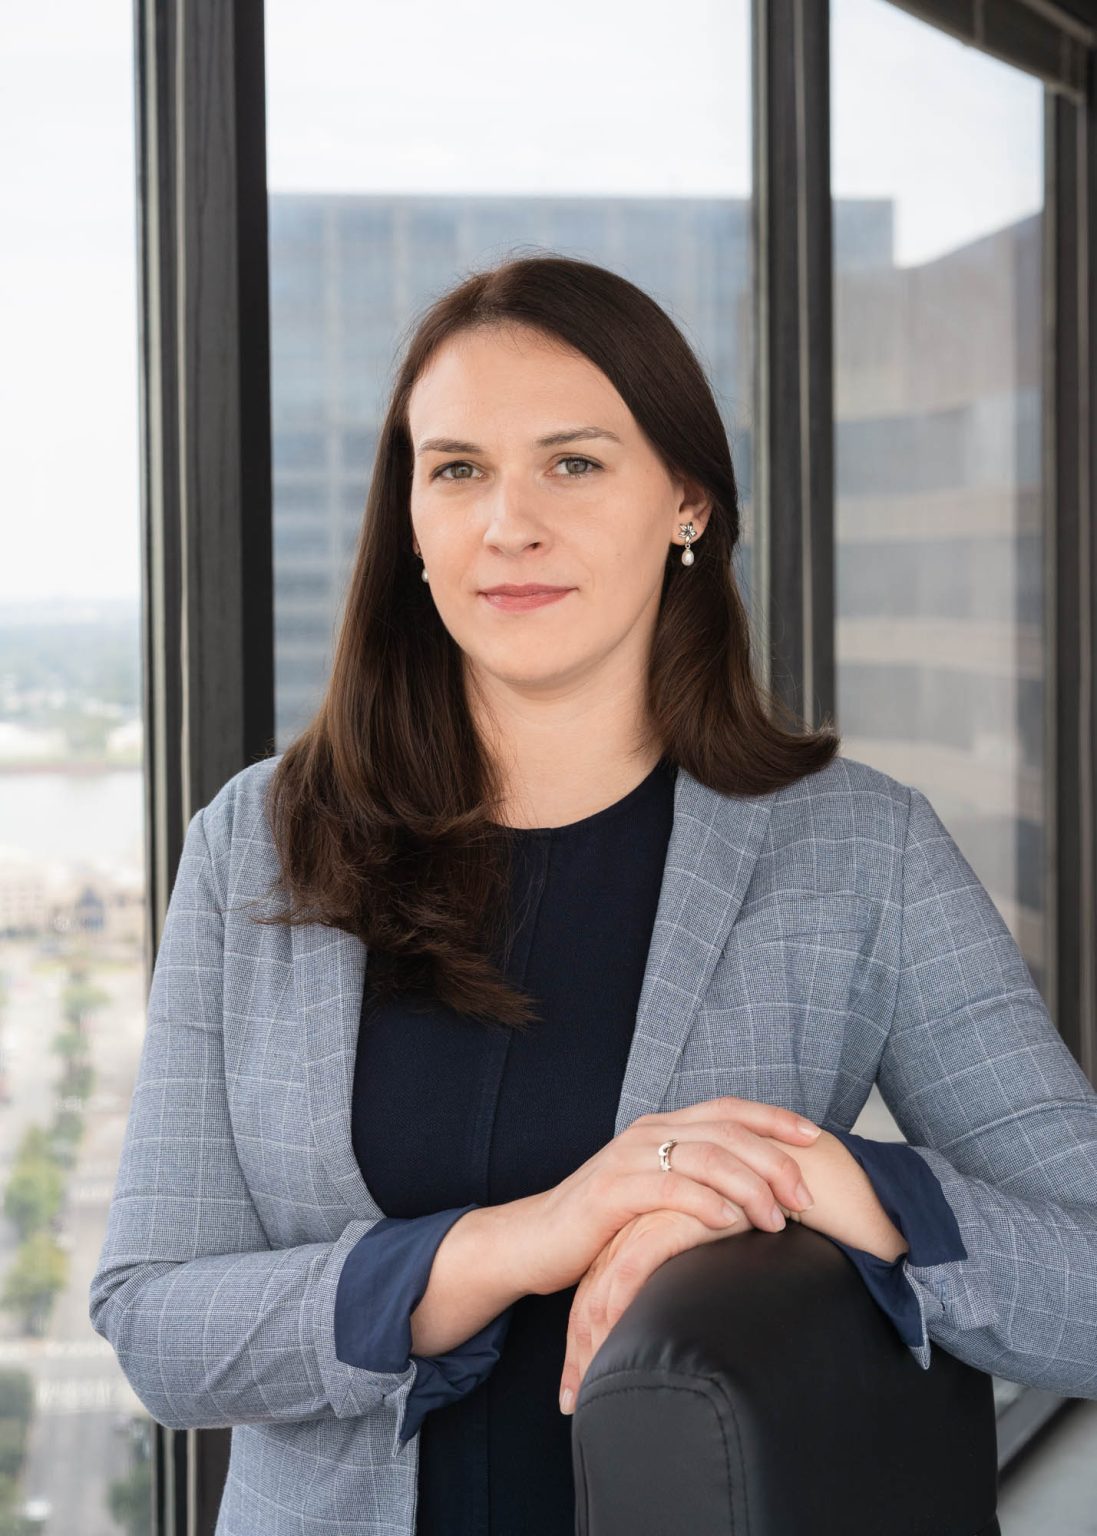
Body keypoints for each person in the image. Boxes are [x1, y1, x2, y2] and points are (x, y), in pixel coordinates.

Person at [89, 254, 1097, 1536]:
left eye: (571, 463)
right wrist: (527, 1239)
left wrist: (829, 1183)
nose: (507, 521)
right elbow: (157, 1323)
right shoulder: (260, 841)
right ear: (410, 521)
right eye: (457, 468)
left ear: (683, 501)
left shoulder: (857, 850)